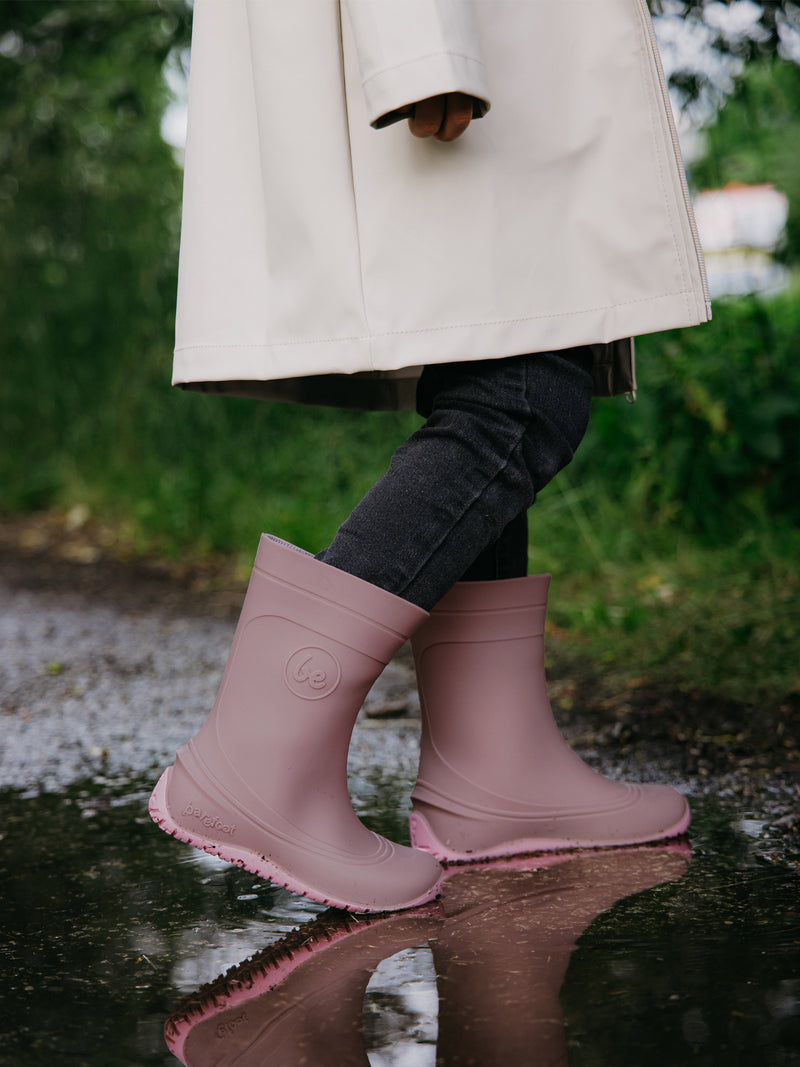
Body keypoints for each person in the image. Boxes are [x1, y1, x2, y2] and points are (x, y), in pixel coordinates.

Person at [150, 0, 710, 913]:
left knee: (511, 343)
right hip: (450, 45)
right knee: (522, 394)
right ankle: (252, 758)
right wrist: (418, 42)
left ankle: (496, 765)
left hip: (484, 48)